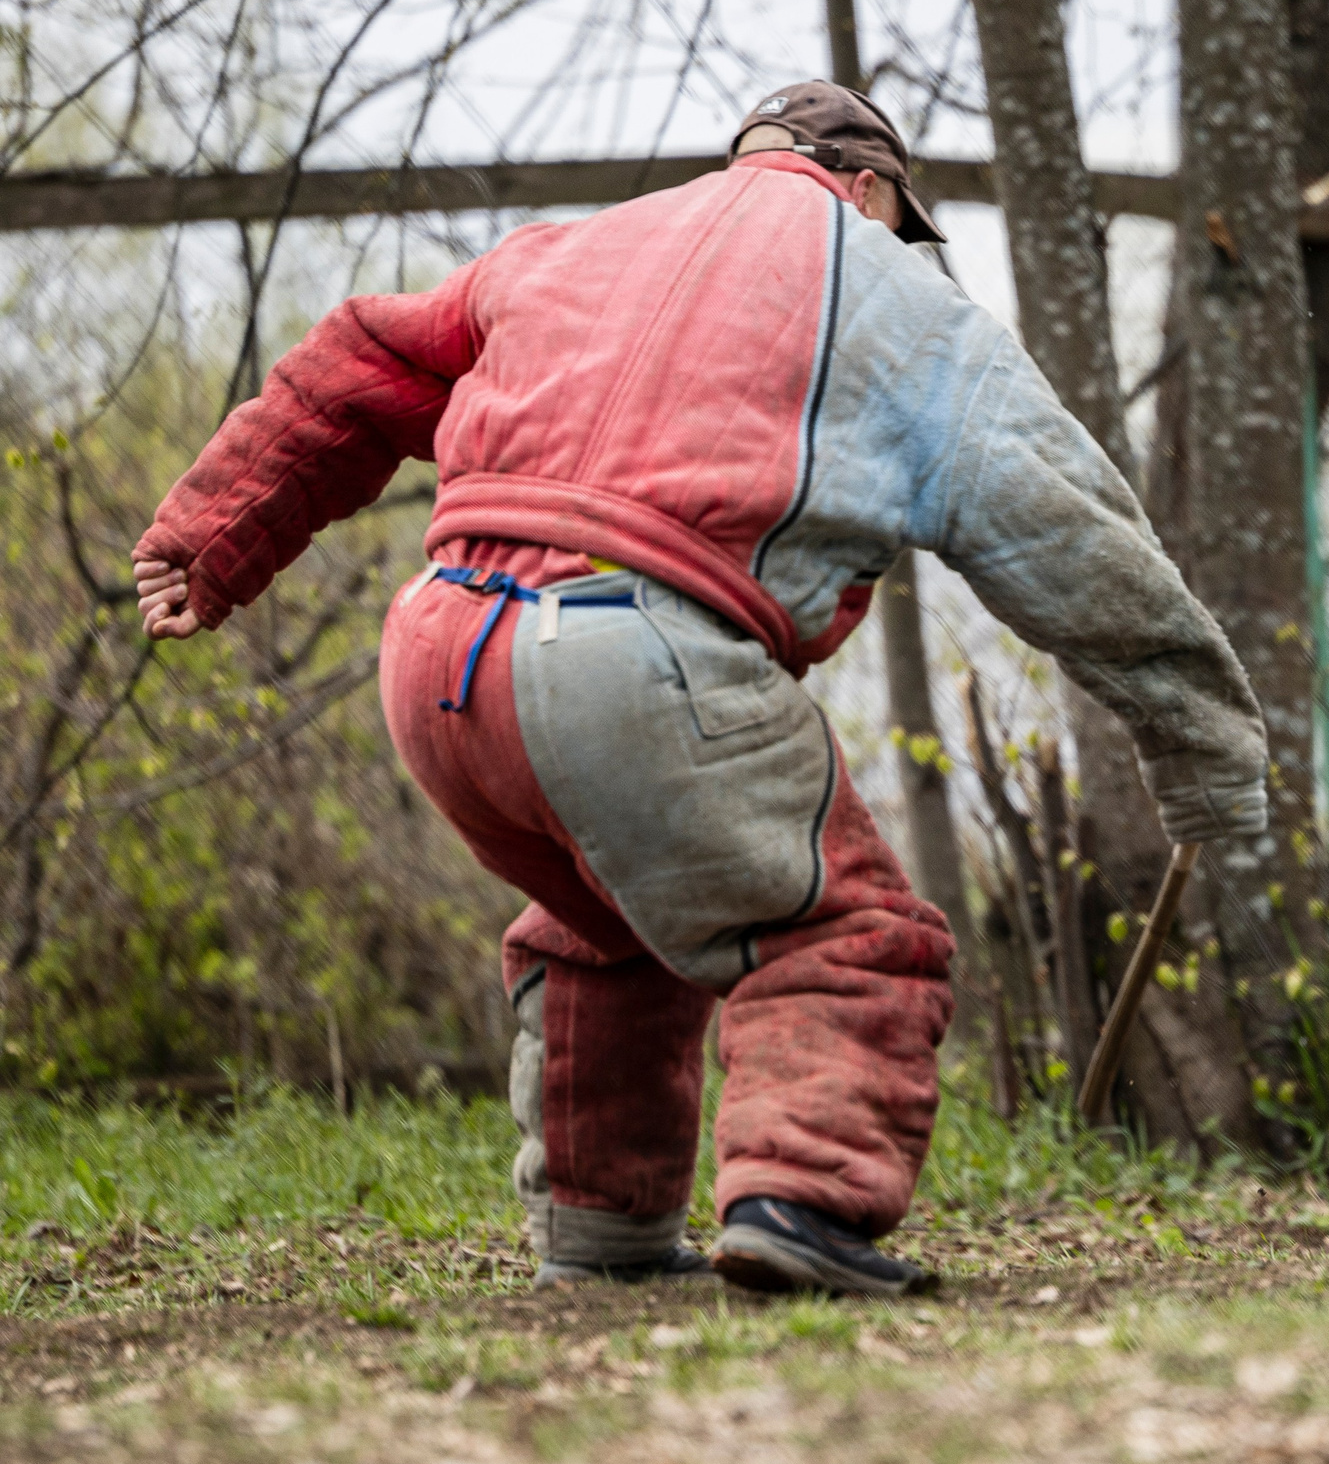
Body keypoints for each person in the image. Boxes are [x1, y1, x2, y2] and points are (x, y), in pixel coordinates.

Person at [132, 82, 1268, 1296]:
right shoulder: (903, 303)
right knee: (840, 929)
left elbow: (356, 361)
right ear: (871, 189)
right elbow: (1076, 543)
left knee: (609, 924)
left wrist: (209, 541)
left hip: (437, 653)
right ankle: (800, 1201)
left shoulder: (568, 247)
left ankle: (603, 1233)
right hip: (634, 652)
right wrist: (1203, 750)